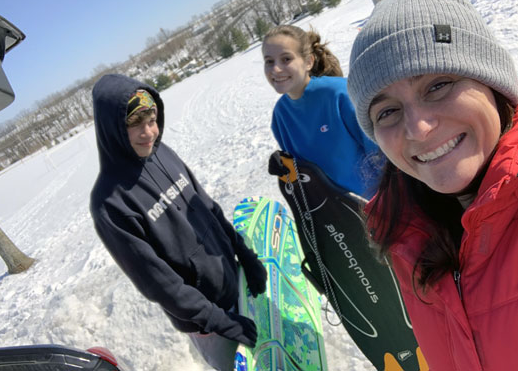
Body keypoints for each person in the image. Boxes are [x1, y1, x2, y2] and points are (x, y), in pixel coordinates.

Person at [347, 0, 518, 369]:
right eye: (387, 112)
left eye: (438, 85)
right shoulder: (407, 235)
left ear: (493, 85)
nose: (419, 129)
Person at [89, 74, 267, 371]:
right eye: (135, 123)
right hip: (208, 323)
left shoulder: (164, 154)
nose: (149, 133)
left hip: (235, 283)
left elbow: (209, 208)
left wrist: (245, 256)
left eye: (152, 120)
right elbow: (157, 282)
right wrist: (218, 320)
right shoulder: (110, 202)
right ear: (113, 129)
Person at [262, 25, 380, 198]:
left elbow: (383, 153)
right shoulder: (281, 116)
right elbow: (306, 176)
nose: (275, 69)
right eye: (269, 61)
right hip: (338, 214)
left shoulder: (340, 94)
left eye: (286, 59)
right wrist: (287, 167)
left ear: (308, 62)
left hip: (381, 205)